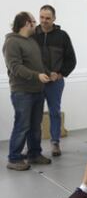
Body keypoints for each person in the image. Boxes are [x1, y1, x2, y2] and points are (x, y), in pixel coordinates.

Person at [3, 12, 52, 170]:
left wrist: (47, 72)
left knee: (35, 125)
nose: (36, 24)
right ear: (26, 23)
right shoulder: (11, 43)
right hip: (22, 92)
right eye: (33, 21)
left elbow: (37, 63)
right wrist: (37, 76)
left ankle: (34, 154)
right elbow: (15, 67)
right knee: (22, 125)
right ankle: (14, 158)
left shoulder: (31, 41)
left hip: (37, 90)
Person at [33, 5, 77, 157]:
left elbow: (71, 60)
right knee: (35, 114)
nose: (44, 21)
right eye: (41, 17)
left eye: (47, 18)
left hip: (55, 83)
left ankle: (55, 143)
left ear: (54, 19)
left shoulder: (62, 36)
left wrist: (60, 74)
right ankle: (34, 146)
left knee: (55, 112)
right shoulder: (33, 35)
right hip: (36, 82)